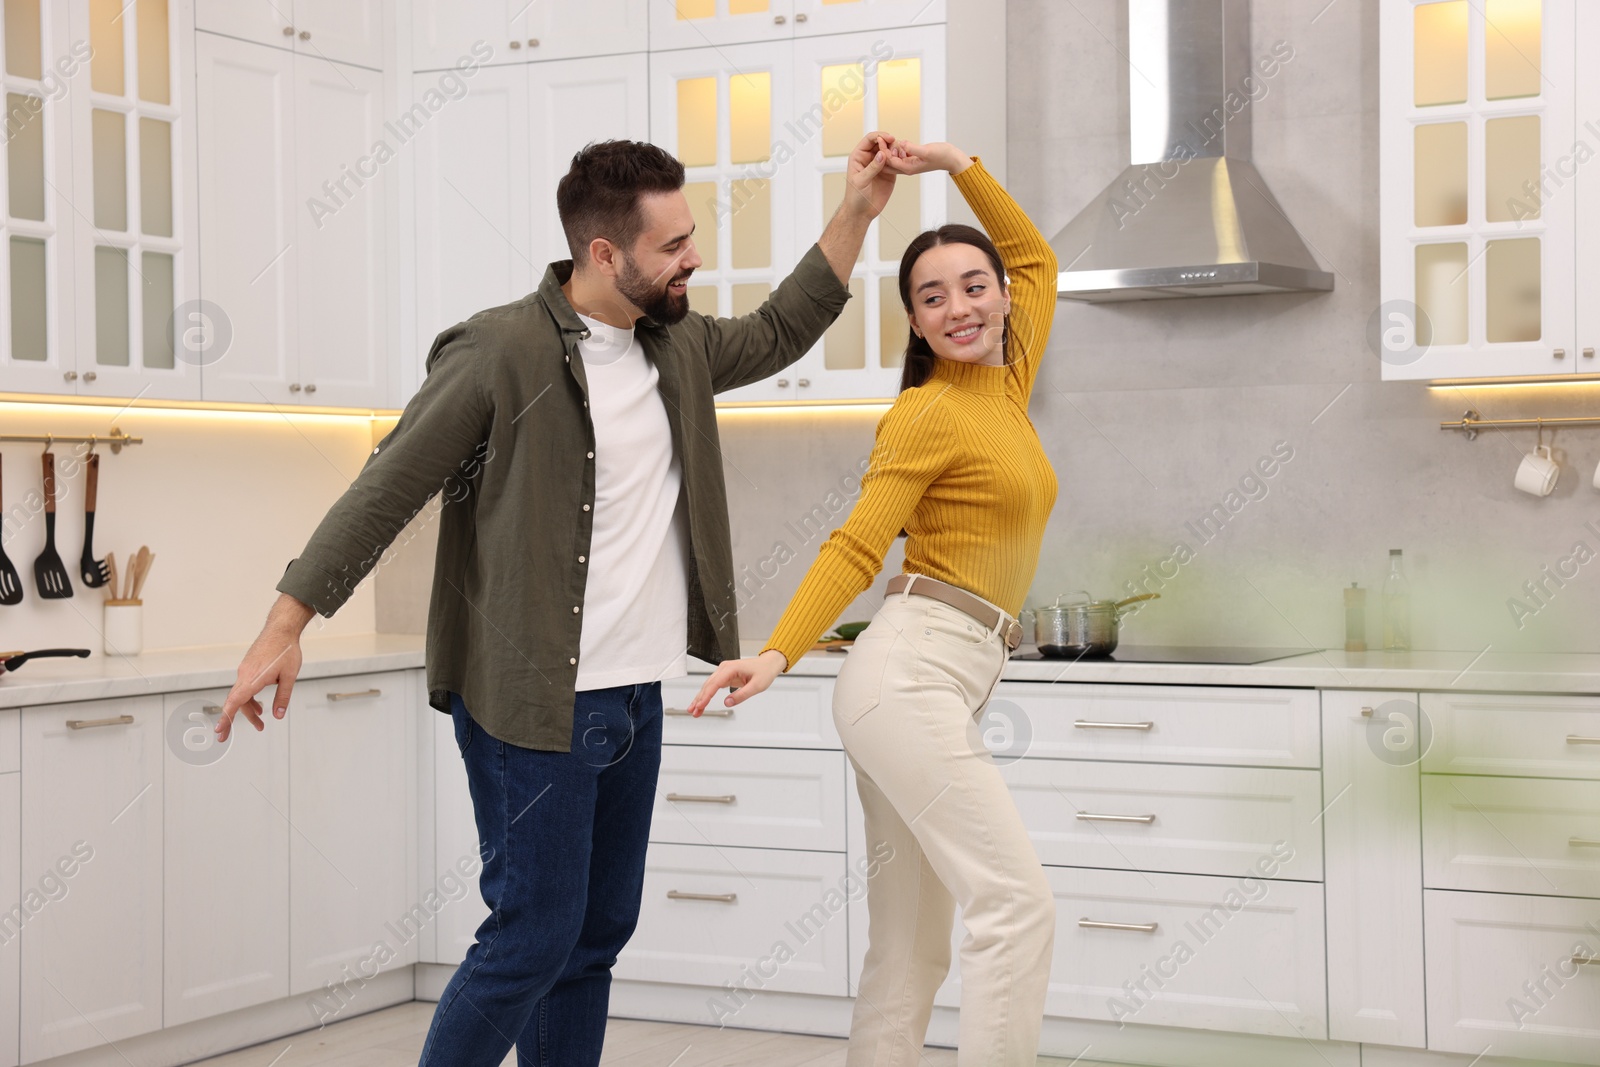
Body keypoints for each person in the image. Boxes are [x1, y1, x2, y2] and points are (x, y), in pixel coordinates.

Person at [216, 133, 902, 1067]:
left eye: (690, 235)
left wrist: (859, 207)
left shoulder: (679, 344)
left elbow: (783, 327)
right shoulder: (498, 351)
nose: (693, 257)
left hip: (634, 695)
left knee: (593, 938)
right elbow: (385, 489)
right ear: (604, 254)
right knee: (531, 937)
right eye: (673, 245)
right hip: (533, 699)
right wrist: (283, 625)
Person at [687, 141, 1060, 1067]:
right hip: (907, 677)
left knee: (913, 943)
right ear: (914, 322)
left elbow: (1039, 256)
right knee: (1016, 907)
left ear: (1002, 296)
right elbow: (858, 542)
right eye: (933, 297)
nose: (960, 306)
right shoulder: (928, 411)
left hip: (945, 675)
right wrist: (777, 650)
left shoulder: (1007, 385)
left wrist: (956, 163)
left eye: (975, 285)